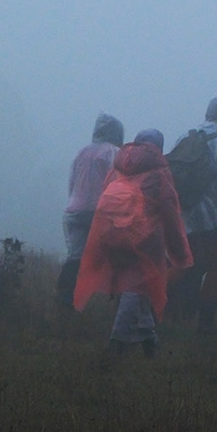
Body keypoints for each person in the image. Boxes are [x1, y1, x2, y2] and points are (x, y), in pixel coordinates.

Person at [72, 129, 191, 357]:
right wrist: (179, 252)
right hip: (142, 239)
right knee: (135, 288)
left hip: (110, 234)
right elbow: (169, 213)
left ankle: (149, 341)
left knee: (138, 287)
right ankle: (117, 342)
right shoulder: (159, 174)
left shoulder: (118, 168)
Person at [169, 98, 217, 331]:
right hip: (213, 218)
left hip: (183, 214)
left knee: (186, 263)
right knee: (215, 267)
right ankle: (206, 323)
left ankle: (172, 313)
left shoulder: (185, 137)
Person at [58, 113, 124, 305]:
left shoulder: (82, 152)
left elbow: (72, 184)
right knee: (115, 257)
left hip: (75, 211)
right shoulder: (114, 153)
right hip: (101, 213)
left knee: (75, 257)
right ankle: (112, 304)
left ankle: (64, 300)